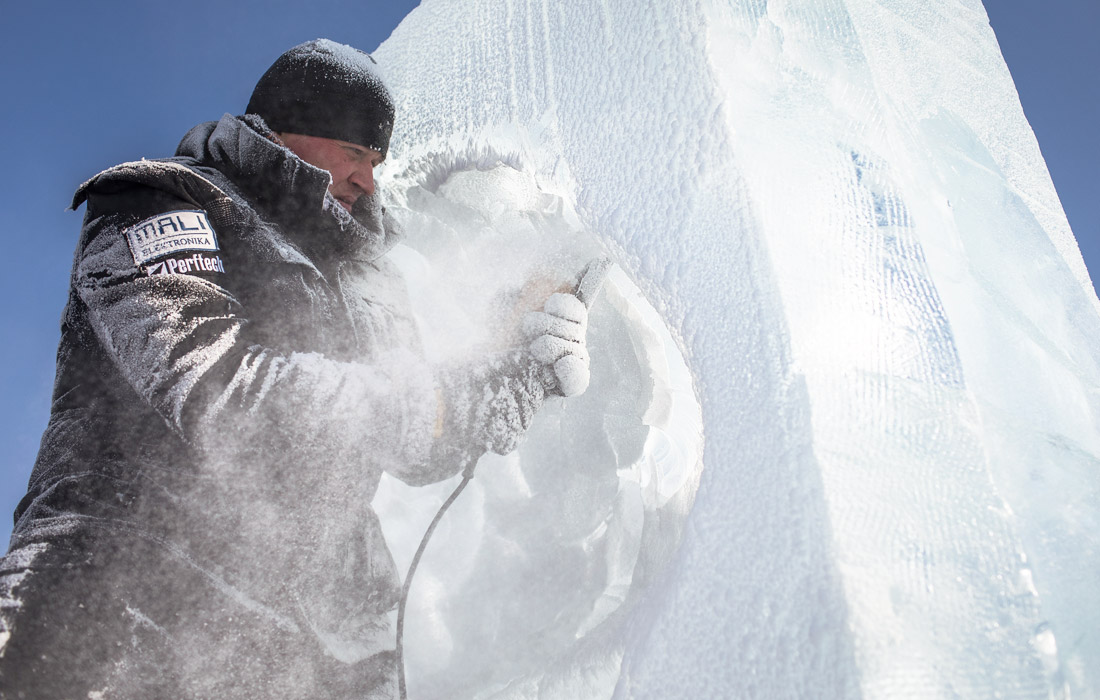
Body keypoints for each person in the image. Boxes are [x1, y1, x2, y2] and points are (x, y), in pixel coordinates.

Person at [0, 39, 591, 699]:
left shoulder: (362, 280)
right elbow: (222, 396)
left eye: (378, 161)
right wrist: (437, 404)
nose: (370, 179)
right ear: (290, 132)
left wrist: (504, 364)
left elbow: (412, 447)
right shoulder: (164, 206)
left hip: (275, 650)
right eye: (356, 154)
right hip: (110, 604)